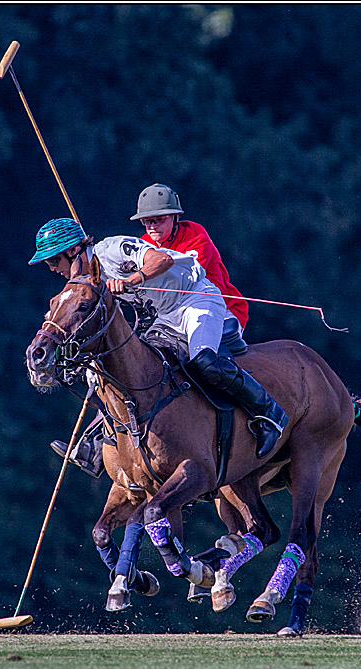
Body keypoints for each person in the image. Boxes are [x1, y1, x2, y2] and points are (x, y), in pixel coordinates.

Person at [30, 217, 287, 468]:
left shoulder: (111, 249)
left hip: (194, 301)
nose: (52, 268)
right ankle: (97, 445)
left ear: (75, 250)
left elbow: (161, 259)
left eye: (54, 259)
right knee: (114, 372)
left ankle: (268, 413)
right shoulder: (84, 284)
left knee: (205, 362)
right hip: (162, 317)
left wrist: (130, 281)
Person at [131, 183, 248, 333]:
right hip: (174, 315)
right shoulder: (143, 244)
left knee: (206, 350)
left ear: (175, 217)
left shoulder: (195, 235)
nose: (153, 226)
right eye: (147, 220)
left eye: (159, 219)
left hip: (222, 309)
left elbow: (187, 281)